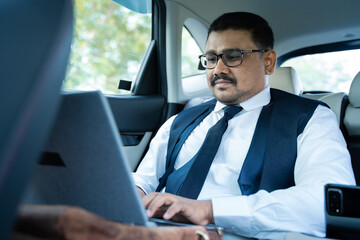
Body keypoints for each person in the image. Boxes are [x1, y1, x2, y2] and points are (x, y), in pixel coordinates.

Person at [132, 12, 355, 239]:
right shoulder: (180, 121)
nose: (218, 69)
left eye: (232, 56)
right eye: (211, 59)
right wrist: (132, 194)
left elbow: (326, 202)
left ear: (268, 61)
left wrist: (210, 211)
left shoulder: (310, 118)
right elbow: (144, 179)